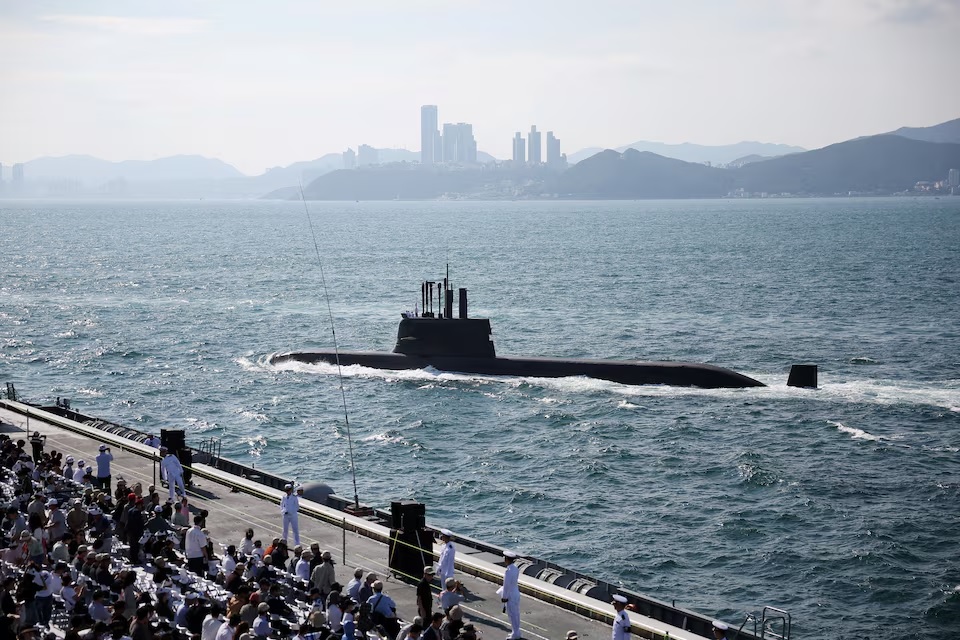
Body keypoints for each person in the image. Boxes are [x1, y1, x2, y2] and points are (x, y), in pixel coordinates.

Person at [497, 551, 521, 640]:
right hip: (516, 592)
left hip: (510, 595)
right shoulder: (515, 569)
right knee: (516, 614)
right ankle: (517, 632)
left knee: (512, 615)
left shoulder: (508, 571)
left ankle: (515, 634)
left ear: (507, 559)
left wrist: (504, 597)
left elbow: (506, 586)